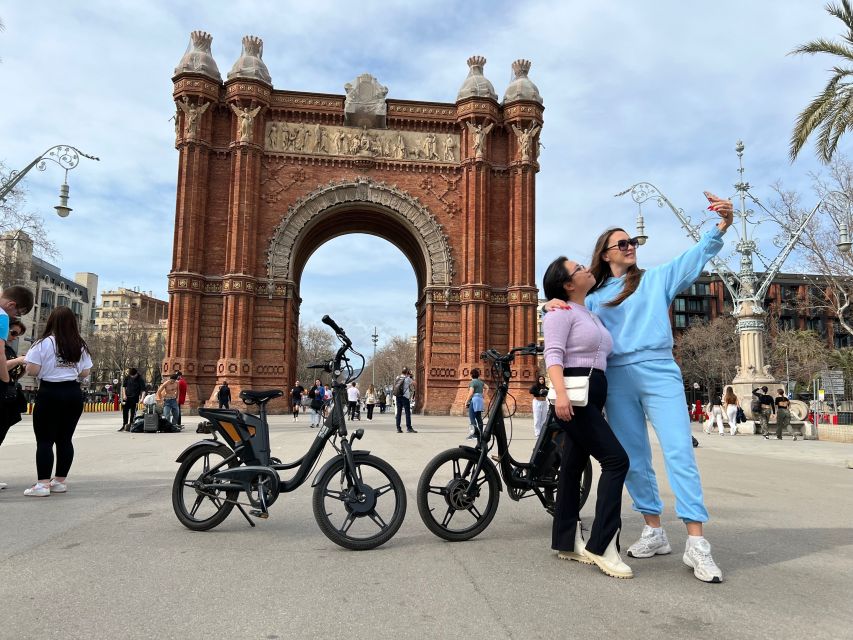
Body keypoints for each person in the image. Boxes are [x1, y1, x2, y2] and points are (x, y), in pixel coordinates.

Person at [544, 191, 733, 583]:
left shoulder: (656, 278)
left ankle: (696, 543)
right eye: (623, 243)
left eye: (633, 242)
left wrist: (722, 226)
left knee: (680, 450)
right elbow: (565, 318)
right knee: (634, 456)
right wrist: (547, 304)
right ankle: (654, 529)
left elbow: (694, 257)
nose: (631, 247)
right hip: (615, 378)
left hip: (660, 369)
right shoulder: (592, 298)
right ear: (607, 253)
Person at [542, 256, 631, 578]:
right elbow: (553, 354)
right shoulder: (559, 312)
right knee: (616, 460)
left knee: (573, 466)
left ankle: (565, 540)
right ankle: (603, 545)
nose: (586, 269)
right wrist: (561, 394)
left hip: (592, 393)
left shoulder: (588, 312)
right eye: (578, 268)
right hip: (574, 395)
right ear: (567, 284)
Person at [23, 306, 92, 497]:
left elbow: (32, 370)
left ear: (51, 321)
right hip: (72, 392)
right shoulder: (79, 344)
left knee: (45, 440)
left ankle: (42, 484)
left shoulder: (42, 344)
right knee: (65, 439)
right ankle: (60, 481)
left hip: (50, 392)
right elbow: (85, 372)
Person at [0, 319, 27, 490]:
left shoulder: (8, 348)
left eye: (18, 335)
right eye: (14, 333)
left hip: (7, 397)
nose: (14, 338)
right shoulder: (2, 348)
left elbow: (13, 375)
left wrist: (23, 365)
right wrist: (18, 361)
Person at [120, 367, 146, 432]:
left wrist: (142, 398)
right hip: (127, 397)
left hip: (135, 398)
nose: (132, 377)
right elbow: (123, 387)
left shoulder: (140, 379)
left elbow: (143, 390)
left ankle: (131, 425)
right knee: (125, 411)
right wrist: (124, 395)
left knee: (133, 412)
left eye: (133, 376)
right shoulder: (127, 377)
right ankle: (124, 425)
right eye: (131, 375)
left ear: (136, 374)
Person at [393, 367, 417, 433]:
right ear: (407, 372)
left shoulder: (398, 377)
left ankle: (398, 428)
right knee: (407, 413)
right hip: (405, 397)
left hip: (398, 396)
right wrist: (411, 377)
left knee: (399, 412)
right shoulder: (408, 379)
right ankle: (409, 428)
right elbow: (415, 384)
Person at [465, 369, 486, 440]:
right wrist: (483, 395)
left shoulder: (472, 382)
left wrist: (466, 401)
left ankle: (474, 434)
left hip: (474, 400)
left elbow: (471, 393)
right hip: (480, 400)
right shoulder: (481, 382)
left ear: (471, 375)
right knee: (479, 417)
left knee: (472, 418)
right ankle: (481, 434)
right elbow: (487, 387)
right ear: (478, 375)